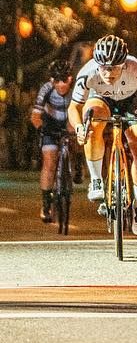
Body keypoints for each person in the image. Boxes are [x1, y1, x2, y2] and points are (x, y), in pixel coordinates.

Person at [68, 35, 137, 236]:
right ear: (97, 64)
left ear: (124, 64)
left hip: (132, 101)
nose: (108, 73)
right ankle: (96, 180)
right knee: (91, 121)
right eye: (104, 68)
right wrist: (79, 128)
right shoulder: (88, 72)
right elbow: (74, 108)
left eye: (114, 68)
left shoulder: (136, 69)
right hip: (102, 100)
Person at [30, 60, 74, 223]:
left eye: (65, 80)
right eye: (57, 80)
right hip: (50, 124)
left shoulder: (76, 89)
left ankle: (77, 163)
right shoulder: (46, 89)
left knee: (78, 135)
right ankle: (46, 204)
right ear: (52, 80)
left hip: (70, 120)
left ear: (70, 79)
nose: (61, 84)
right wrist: (41, 128)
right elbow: (35, 116)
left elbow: (82, 112)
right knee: (49, 161)